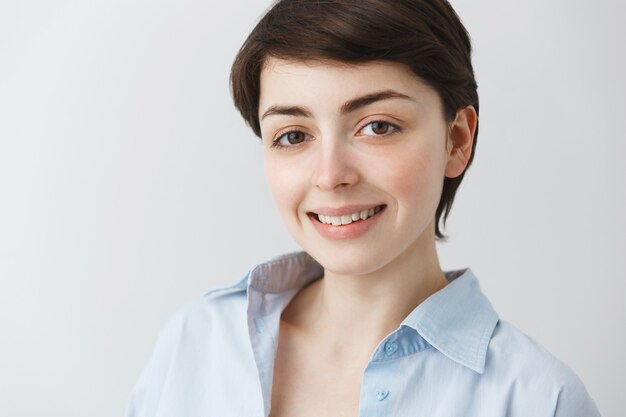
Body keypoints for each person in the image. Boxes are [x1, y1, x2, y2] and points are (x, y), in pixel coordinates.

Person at [126, 0, 600, 416]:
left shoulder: (540, 400)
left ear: (457, 140)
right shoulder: (194, 342)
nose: (331, 175)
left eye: (377, 126)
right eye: (293, 135)